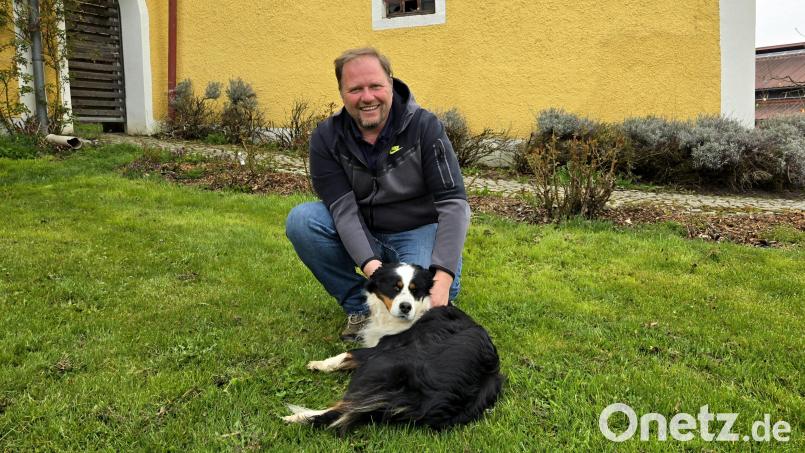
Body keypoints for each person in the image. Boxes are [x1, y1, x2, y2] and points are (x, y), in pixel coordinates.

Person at [285, 47, 469, 341]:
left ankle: (436, 293)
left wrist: (443, 279)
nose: (367, 97)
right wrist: (374, 269)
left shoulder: (424, 127)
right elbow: (343, 210)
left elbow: (454, 205)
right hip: (364, 231)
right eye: (355, 89)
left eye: (375, 86)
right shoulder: (326, 137)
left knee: (426, 305)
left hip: (417, 231)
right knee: (303, 220)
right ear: (342, 92)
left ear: (391, 84)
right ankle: (359, 308)